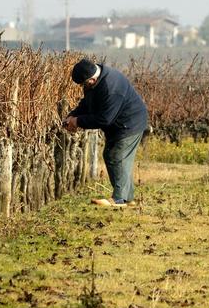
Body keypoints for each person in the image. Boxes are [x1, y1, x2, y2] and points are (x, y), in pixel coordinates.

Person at [63, 58, 148, 207]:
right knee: (113, 155)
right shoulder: (95, 80)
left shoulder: (111, 87)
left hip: (130, 123)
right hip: (120, 123)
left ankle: (119, 199)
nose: (83, 87)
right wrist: (73, 115)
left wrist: (78, 121)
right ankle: (128, 198)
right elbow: (87, 103)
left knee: (117, 156)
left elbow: (104, 119)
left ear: (92, 79)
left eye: (83, 84)